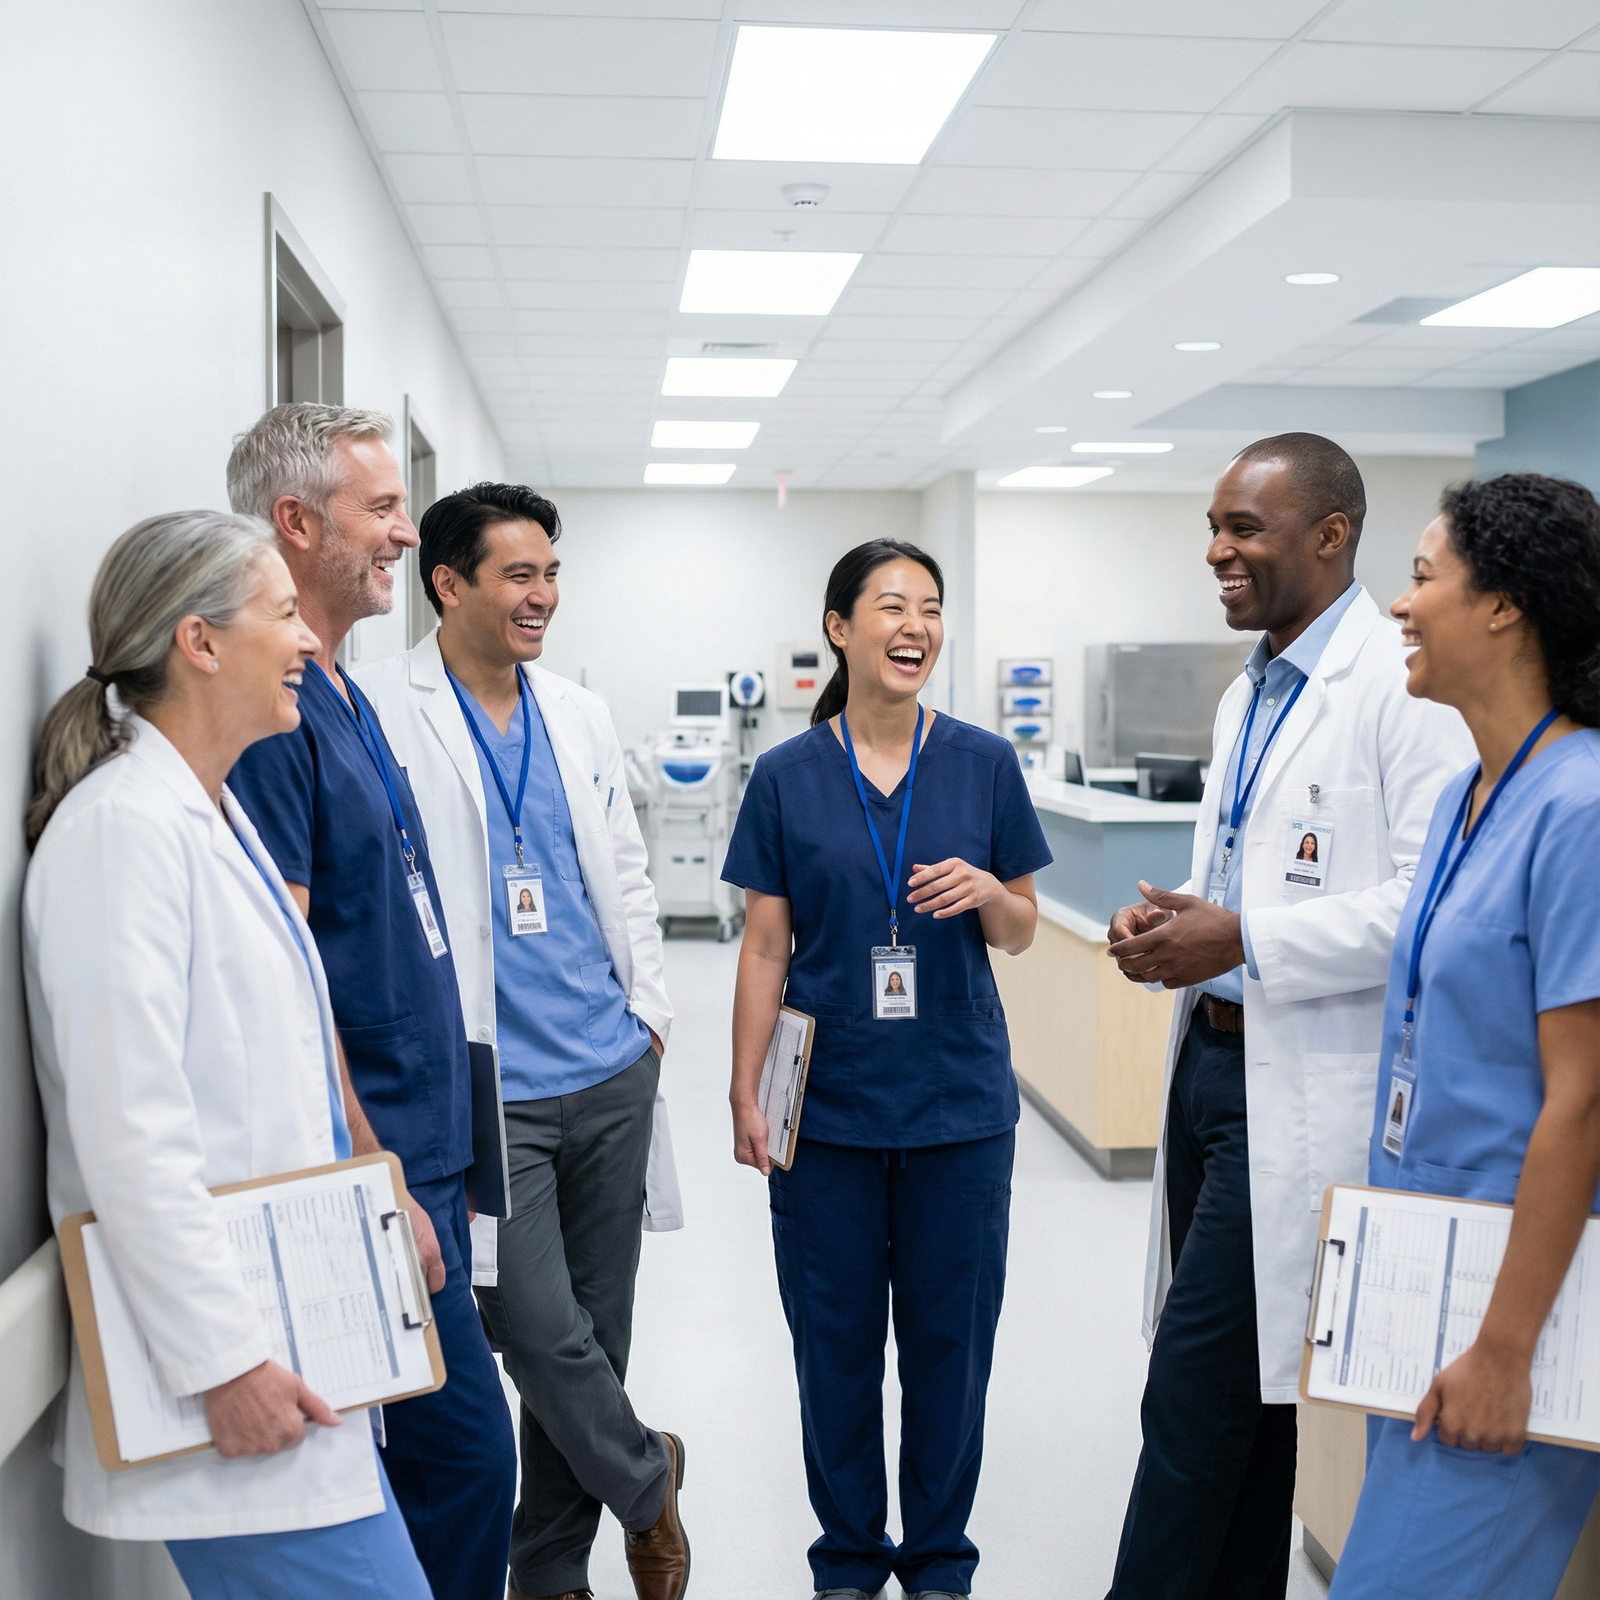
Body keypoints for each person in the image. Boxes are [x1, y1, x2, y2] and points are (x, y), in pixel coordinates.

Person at [22, 511, 430, 1599]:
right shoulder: (123, 833)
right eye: (285, 613)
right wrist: (226, 1362)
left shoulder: (208, 815)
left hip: (294, 1346)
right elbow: (130, 1135)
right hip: (228, 1382)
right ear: (199, 643)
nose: (309, 641)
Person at [1102, 434, 1474, 1599]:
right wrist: (1171, 923)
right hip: (1210, 1073)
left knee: (1192, 1393)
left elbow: (1427, 904)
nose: (1216, 550)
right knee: (1250, 1406)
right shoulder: (1249, 690)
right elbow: (1244, 874)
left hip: (1301, 1085)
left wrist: (1245, 939)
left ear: (1330, 535)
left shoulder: (1401, 693)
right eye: (1212, 526)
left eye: (1243, 528)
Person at [355, 482, 688, 1600]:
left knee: (597, 1330)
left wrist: (647, 1021)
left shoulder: (576, 712)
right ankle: (647, 1478)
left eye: (551, 573)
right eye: (518, 575)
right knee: (536, 1331)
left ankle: (548, 1572)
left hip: (608, 1066)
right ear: (448, 584)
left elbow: (625, 874)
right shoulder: (381, 707)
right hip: (490, 1087)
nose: (542, 596)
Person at [723, 538, 1053, 1600]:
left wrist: (989, 892)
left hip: (957, 1109)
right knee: (835, 1349)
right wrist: (744, 1087)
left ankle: (940, 1563)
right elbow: (765, 946)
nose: (914, 626)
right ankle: (851, 1561)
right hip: (825, 1115)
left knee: (951, 1351)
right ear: (839, 626)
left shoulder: (982, 763)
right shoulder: (784, 776)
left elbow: (1022, 931)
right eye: (891, 605)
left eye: (931, 608)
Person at [223, 406, 516, 1600]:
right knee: (464, 1462)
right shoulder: (275, 713)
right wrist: (371, 1162)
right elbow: (286, 965)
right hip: (375, 1158)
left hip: (422, 1145)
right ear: (296, 522)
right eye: (381, 508)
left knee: (452, 1468)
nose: (406, 529)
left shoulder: (338, 689)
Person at [1332, 475, 1600, 1598]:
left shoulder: (1580, 807)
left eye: (1423, 576)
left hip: (1516, 1300)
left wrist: (1503, 1350)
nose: (1399, 604)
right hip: (1419, 1279)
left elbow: (1580, 1101)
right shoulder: (1464, 796)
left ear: (1505, 609)